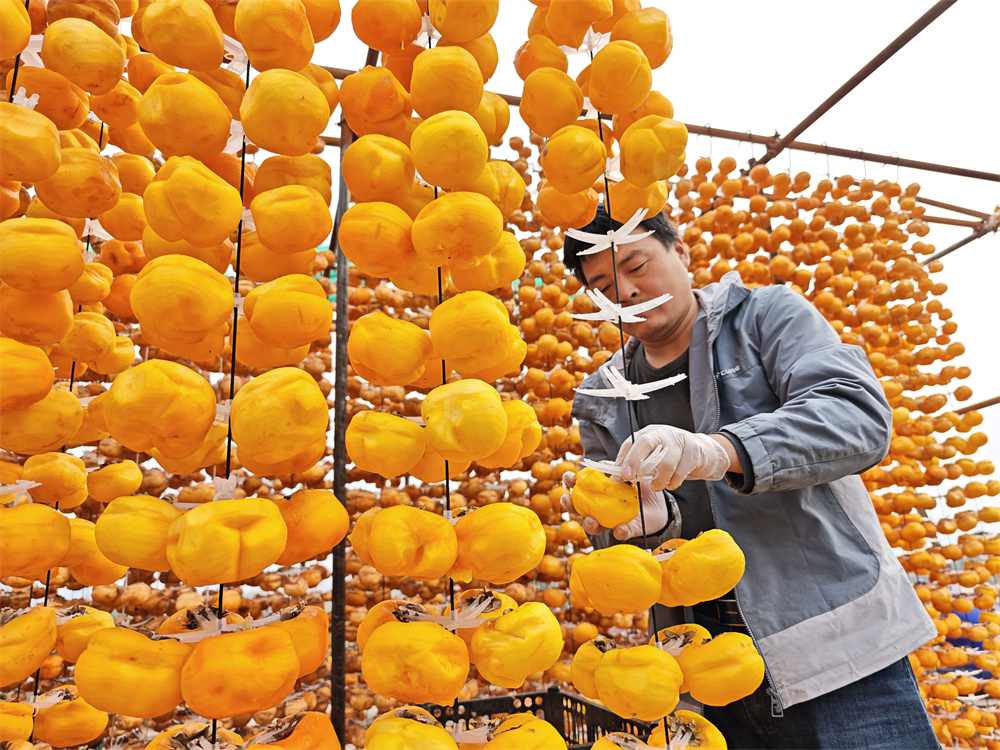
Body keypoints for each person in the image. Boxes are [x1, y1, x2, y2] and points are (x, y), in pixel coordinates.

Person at [560, 204, 938, 749]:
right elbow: (618, 541)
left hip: (833, 646)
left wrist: (721, 450)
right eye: (601, 284)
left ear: (682, 252)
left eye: (637, 266)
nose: (624, 290)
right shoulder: (601, 397)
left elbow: (856, 416)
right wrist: (634, 527)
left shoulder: (765, 318)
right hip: (703, 670)